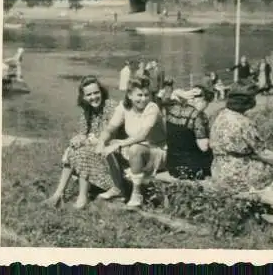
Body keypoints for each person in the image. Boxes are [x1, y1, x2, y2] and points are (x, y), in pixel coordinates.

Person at [43, 76, 120, 209]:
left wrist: (87, 141)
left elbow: (108, 135)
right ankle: (58, 194)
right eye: (89, 94)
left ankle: (82, 198)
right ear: (83, 97)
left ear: (101, 92)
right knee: (72, 149)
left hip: (112, 155)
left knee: (83, 152)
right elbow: (83, 134)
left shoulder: (110, 106)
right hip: (96, 152)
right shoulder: (87, 110)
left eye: (96, 93)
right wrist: (77, 140)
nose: (93, 97)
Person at [96, 77, 167, 209]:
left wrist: (120, 144)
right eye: (139, 95)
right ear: (129, 95)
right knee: (109, 144)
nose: (143, 99)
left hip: (158, 151)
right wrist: (101, 141)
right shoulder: (124, 106)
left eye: (147, 95)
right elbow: (110, 128)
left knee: (134, 148)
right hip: (137, 149)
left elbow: (143, 135)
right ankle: (118, 188)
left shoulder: (152, 108)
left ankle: (136, 194)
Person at [209, 81, 273, 194]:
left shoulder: (221, 115)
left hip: (218, 170)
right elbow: (262, 153)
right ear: (247, 102)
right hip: (236, 176)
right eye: (253, 97)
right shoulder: (244, 123)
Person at [165, 85, 215, 180]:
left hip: (172, 164)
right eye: (206, 103)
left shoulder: (172, 107)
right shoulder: (197, 116)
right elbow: (203, 147)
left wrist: (182, 93)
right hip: (191, 168)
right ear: (201, 101)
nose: (206, 107)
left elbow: (173, 94)